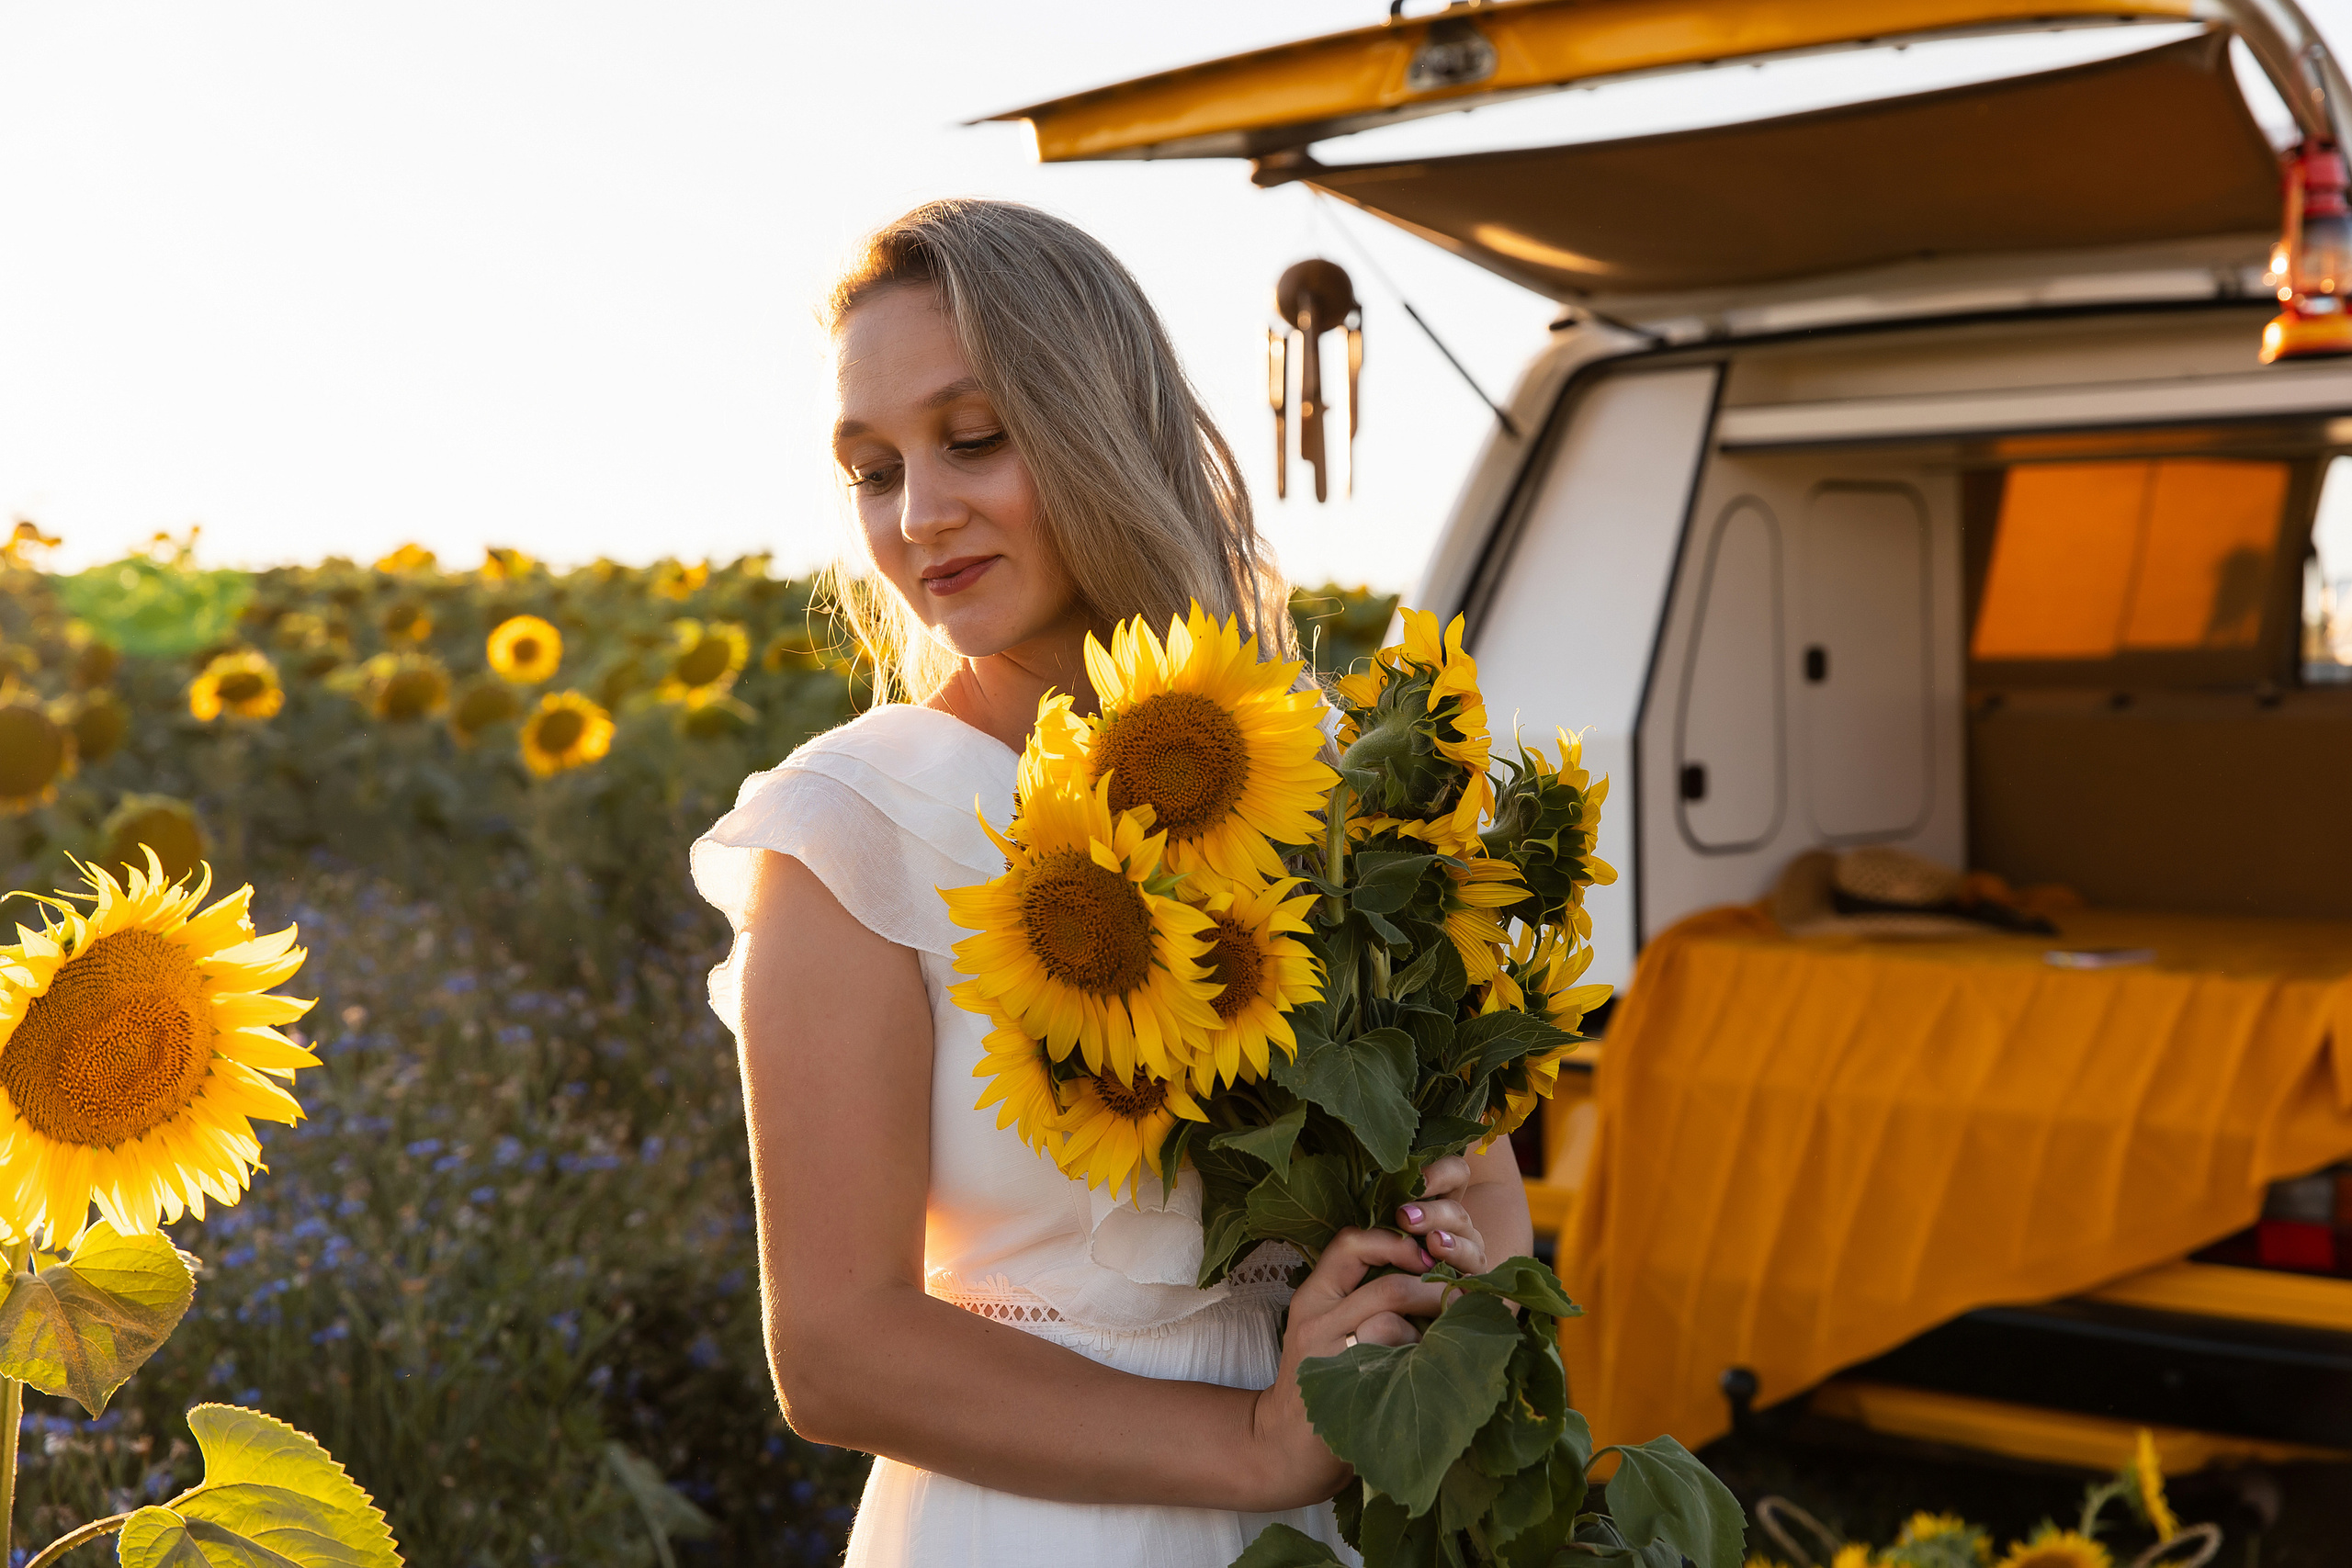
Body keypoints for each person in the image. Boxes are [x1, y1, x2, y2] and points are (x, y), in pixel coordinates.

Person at [691, 198, 1532, 1566]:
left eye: (974, 439)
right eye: (873, 469)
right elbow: (838, 1350)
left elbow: (1481, 1180)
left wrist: (1439, 1293)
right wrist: (1253, 1444)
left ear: (1100, 426)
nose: (919, 515)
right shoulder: (854, 827)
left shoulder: (1321, 785)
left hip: (1336, 1516)